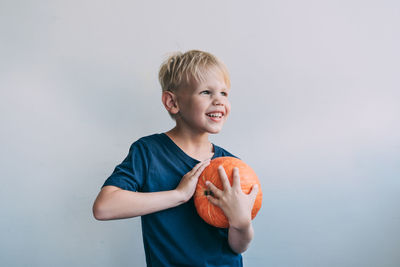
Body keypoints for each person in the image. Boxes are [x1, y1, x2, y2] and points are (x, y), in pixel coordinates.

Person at [93, 50, 259, 266]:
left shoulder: (233, 166)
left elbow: (238, 246)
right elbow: (104, 207)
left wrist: (242, 223)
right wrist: (179, 195)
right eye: (206, 92)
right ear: (172, 102)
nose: (219, 101)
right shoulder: (149, 152)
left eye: (224, 93)